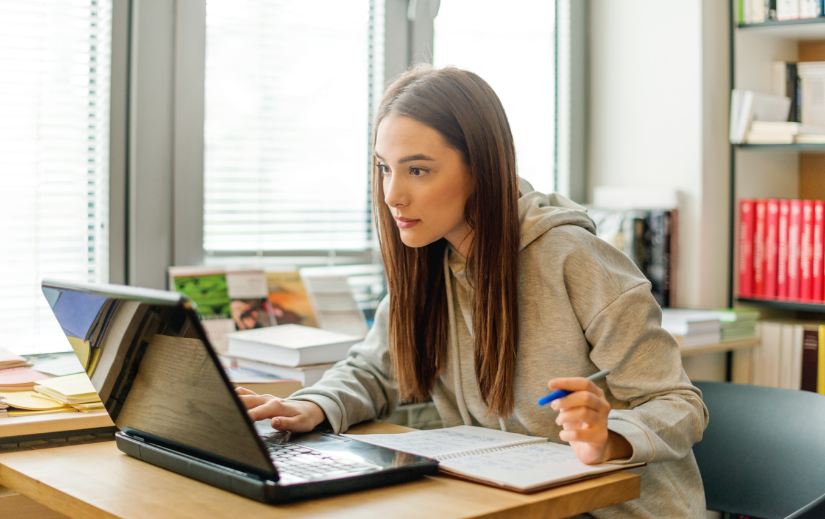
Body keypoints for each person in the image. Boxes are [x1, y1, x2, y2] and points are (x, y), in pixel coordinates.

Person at [235, 65, 709, 518]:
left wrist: (609, 437)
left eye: (417, 170)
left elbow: (679, 405)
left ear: (481, 168)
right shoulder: (430, 258)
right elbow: (374, 371)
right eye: (384, 168)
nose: (392, 194)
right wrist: (313, 405)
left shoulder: (573, 258)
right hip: (508, 505)